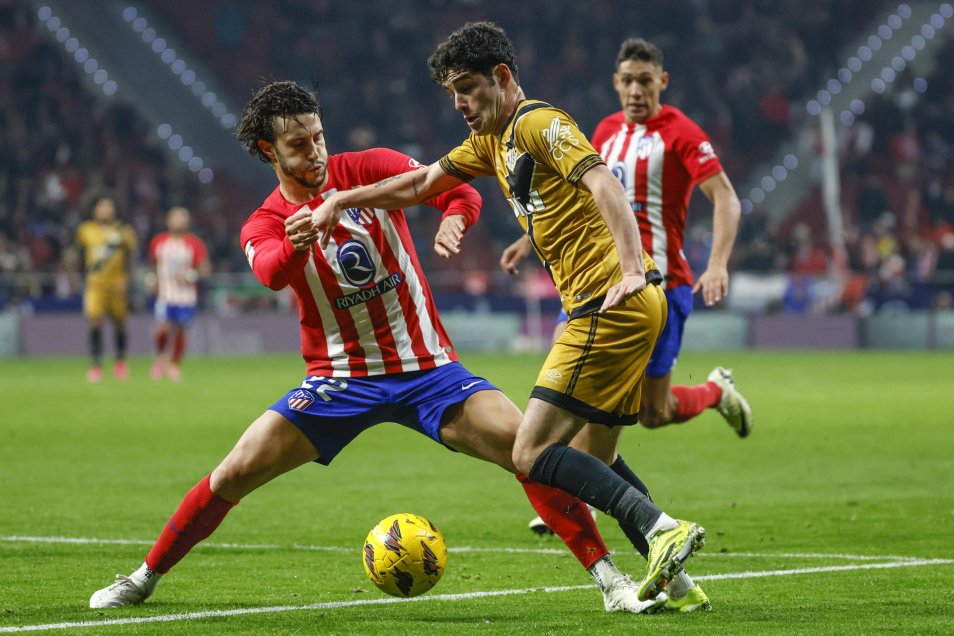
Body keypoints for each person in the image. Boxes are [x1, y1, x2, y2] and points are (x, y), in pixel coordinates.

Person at [90, 81, 662, 614]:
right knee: (234, 471)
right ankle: (144, 577)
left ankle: (611, 583)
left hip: (430, 369)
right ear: (269, 151)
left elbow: (458, 191)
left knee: (529, 454)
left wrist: (454, 221)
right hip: (339, 380)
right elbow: (268, 272)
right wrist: (295, 246)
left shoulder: (365, 170)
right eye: (298, 144)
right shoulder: (264, 222)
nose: (315, 151)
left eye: (318, 136)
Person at [310, 22, 707, 609]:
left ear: (502, 77)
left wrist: (629, 268)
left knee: (528, 451)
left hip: (609, 302)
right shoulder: (491, 142)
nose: (461, 105)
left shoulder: (538, 123)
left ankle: (658, 527)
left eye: (469, 89)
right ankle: (677, 581)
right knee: (601, 456)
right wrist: (342, 198)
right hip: (627, 306)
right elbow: (421, 182)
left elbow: (604, 183)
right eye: (452, 94)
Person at [501, 38, 752, 544]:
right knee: (576, 400)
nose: (636, 90)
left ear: (662, 82)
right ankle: (595, 499)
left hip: (662, 286)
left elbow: (726, 197)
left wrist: (718, 262)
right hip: (593, 285)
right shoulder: (605, 132)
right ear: (616, 84)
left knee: (652, 413)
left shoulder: (681, 133)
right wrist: (526, 241)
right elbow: (569, 197)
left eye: (646, 80)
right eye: (627, 81)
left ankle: (714, 393)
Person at [74, 195, 137, 382]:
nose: (105, 210)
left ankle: (120, 361)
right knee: (95, 320)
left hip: (117, 284)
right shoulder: (85, 230)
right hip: (95, 284)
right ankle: (96, 365)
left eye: (109, 207)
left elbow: (130, 258)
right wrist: (79, 278)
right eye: (102, 207)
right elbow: (79, 256)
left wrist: (127, 280)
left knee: (119, 322)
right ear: (94, 210)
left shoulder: (123, 231)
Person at [148, 206, 210, 381]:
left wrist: (192, 275)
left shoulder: (194, 243)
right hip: (165, 295)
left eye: (182, 218)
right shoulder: (158, 242)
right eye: (175, 218)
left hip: (186, 296)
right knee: (163, 329)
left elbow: (204, 269)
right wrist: (152, 279)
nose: (179, 221)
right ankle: (160, 358)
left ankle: (174, 364)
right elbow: (152, 265)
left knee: (181, 331)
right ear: (168, 221)